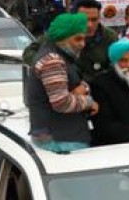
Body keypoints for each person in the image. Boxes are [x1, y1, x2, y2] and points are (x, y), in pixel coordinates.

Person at [26, 13, 97, 153]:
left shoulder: (60, 55)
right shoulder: (52, 61)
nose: (82, 44)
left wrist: (82, 88)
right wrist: (89, 102)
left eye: (84, 39)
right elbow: (62, 103)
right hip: (60, 141)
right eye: (77, 39)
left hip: (62, 137)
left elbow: (78, 83)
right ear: (62, 39)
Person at [23, 0, 119, 83]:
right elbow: (29, 52)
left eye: (94, 20)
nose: (89, 25)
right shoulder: (60, 32)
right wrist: (50, 69)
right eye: (84, 19)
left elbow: (117, 67)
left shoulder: (109, 37)